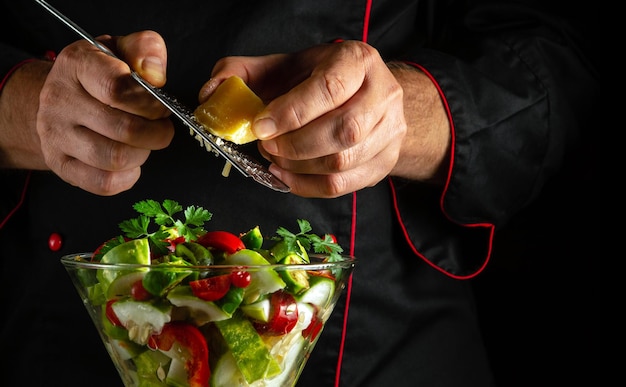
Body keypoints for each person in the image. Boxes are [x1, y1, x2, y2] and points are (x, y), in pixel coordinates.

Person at [0, 1, 599, 386]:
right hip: (50, 337)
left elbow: (564, 57)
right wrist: (17, 107)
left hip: (382, 346)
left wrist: (408, 118)